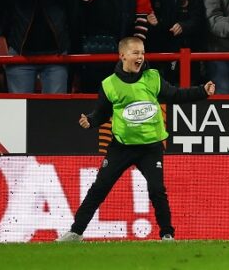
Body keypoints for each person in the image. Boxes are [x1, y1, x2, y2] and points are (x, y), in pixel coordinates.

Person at [56, 36, 215, 242]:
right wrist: (91, 120)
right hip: (121, 147)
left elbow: (175, 95)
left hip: (151, 146)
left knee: (157, 190)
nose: (140, 57)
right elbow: (102, 113)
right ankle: (76, 232)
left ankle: (167, 234)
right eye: (135, 53)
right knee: (99, 188)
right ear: (122, 56)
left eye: (142, 53)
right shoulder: (109, 84)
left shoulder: (153, 77)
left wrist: (202, 91)